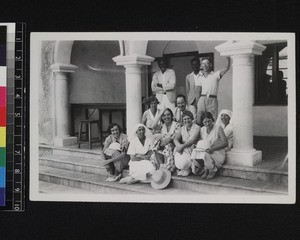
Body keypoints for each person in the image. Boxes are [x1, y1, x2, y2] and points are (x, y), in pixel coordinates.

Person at [191, 112, 228, 180]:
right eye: (205, 122)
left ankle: (212, 170)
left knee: (204, 154)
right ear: (202, 122)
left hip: (218, 153)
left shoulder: (218, 128)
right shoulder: (202, 129)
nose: (207, 124)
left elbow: (225, 143)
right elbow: (202, 143)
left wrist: (213, 148)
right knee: (196, 151)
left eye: (209, 121)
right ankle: (206, 169)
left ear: (212, 120)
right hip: (207, 152)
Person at [195, 57, 231, 125]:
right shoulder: (199, 76)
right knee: (199, 119)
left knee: (212, 119)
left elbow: (226, 68)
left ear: (210, 65)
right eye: (203, 64)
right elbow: (197, 91)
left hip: (212, 99)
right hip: (202, 99)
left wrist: (228, 58)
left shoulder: (215, 75)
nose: (205, 65)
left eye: (207, 63)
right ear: (201, 65)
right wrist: (198, 103)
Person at [152, 108, 180, 173]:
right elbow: (153, 126)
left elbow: (176, 137)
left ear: (171, 115)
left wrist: (168, 139)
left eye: (168, 115)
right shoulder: (162, 125)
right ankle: (162, 166)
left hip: (173, 145)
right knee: (155, 143)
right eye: (164, 115)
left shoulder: (176, 124)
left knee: (168, 145)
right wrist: (160, 114)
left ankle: (169, 167)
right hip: (163, 145)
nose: (166, 117)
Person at [173, 110, 200, 177]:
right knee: (176, 149)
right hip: (184, 146)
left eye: (188, 118)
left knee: (186, 150)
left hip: (193, 147)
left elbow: (192, 141)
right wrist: (178, 145)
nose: (186, 120)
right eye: (184, 119)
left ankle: (188, 168)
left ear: (192, 119)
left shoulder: (197, 128)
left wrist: (182, 146)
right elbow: (175, 138)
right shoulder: (182, 128)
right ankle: (182, 168)